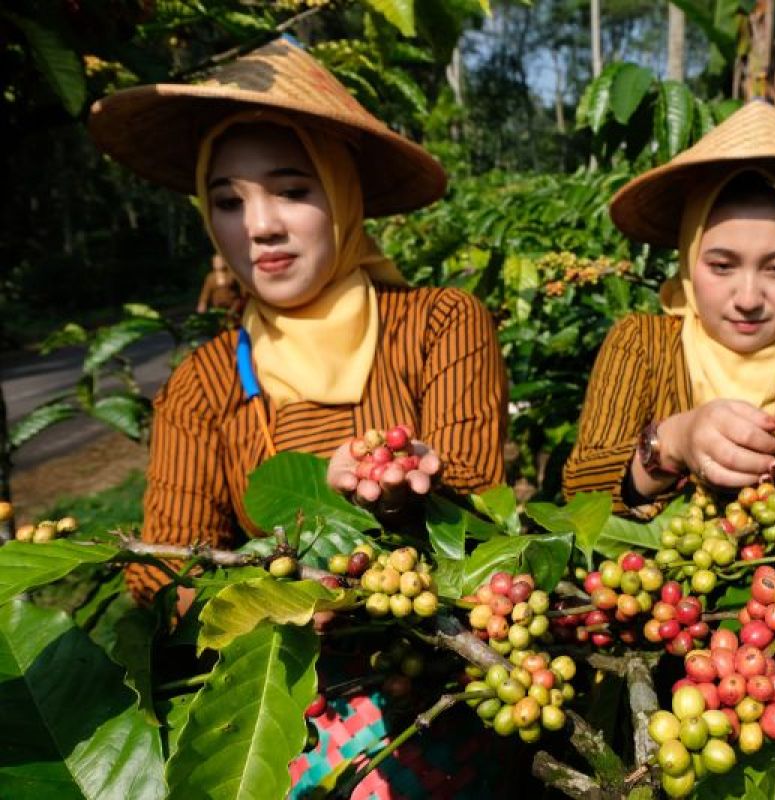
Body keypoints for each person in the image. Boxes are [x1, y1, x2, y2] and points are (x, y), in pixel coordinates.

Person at [88, 37, 508, 798]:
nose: (260, 226)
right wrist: (269, 603)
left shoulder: (440, 326)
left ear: (342, 193)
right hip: (275, 708)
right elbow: (160, 565)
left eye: (291, 190)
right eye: (227, 201)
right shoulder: (204, 384)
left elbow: (482, 505)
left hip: (440, 694)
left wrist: (388, 491)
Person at [562, 101, 775, 516]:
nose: (748, 298)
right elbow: (581, 487)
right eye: (722, 266)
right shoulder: (640, 343)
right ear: (690, 259)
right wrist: (673, 441)